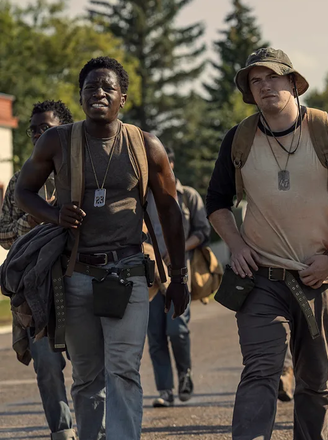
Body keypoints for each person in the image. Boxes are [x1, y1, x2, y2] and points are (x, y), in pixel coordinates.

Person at [15, 56, 190, 440]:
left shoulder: (146, 145)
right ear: (80, 96)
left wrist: (178, 277)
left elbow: (170, 212)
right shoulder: (57, 141)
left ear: (122, 98)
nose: (99, 93)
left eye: (108, 87)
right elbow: (23, 192)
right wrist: (54, 214)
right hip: (76, 273)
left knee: (124, 370)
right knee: (87, 375)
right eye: (90, 87)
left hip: (128, 273)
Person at [206, 47, 328, 439]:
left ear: (293, 82)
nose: (264, 86)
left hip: (318, 276)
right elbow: (216, 203)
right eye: (255, 81)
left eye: (273, 77)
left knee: (315, 381)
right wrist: (236, 245)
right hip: (261, 277)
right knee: (260, 369)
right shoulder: (239, 138)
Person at [0, 100, 75, 440]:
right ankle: (63, 430)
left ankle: (98, 427)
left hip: (77, 276)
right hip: (35, 287)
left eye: (46, 128)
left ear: (64, 130)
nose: (37, 135)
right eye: (33, 130)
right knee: (46, 362)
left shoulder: (81, 170)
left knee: (90, 359)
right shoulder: (21, 181)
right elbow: (3, 235)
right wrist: (29, 222)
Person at [146, 146, 211, 407]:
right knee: (155, 335)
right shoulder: (143, 196)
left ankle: (185, 374)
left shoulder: (188, 196)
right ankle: (165, 390)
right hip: (150, 275)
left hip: (179, 273)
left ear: (170, 164)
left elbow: (203, 231)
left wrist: (178, 249)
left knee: (177, 330)